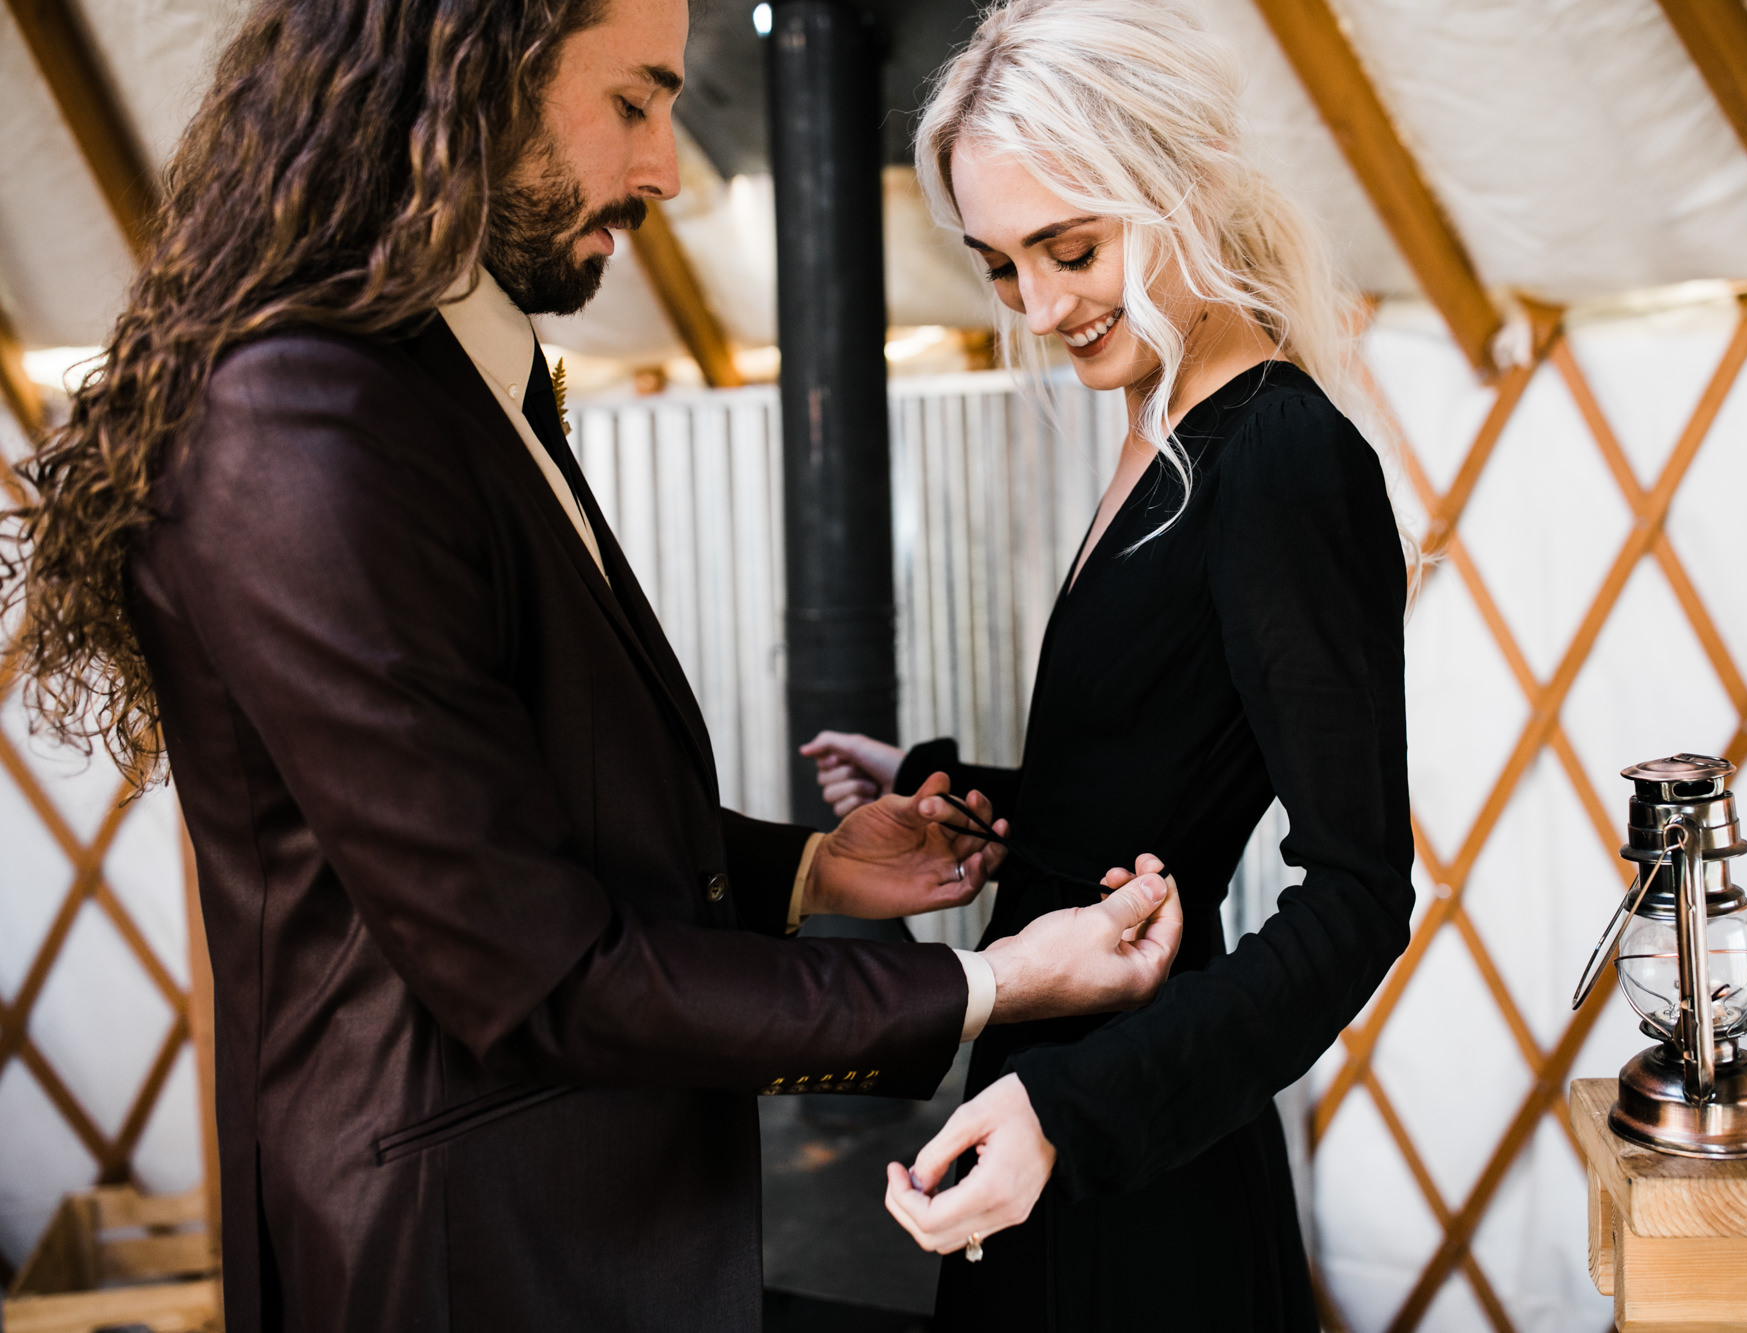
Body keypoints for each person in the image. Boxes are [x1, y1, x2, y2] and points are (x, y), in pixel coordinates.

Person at [0, 0, 1184, 1329]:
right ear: (471, 76)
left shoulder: (451, 378)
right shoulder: (304, 428)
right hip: (467, 1263)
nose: (669, 169)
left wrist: (807, 867)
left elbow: (528, 808)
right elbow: (542, 967)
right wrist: (996, 980)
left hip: (592, 1227)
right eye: (633, 103)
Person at [802, 2, 1416, 1327]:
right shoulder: (1160, 425)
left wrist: (1075, 1115)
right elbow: (1138, 775)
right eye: (1003, 265)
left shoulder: (1282, 460)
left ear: (1184, 182)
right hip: (1039, 1105)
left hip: (1132, 1137)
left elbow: (1359, 894)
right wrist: (935, 781)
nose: (1040, 306)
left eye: (1070, 248)